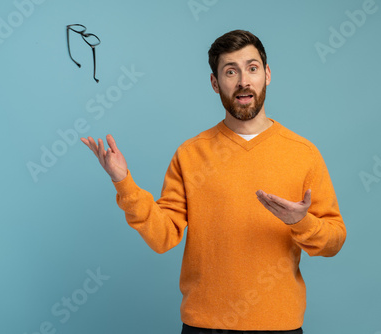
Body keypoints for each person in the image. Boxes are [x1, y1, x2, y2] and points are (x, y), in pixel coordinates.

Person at [81, 30, 346, 334]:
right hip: (203, 326)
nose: (243, 80)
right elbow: (163, 236)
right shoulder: (190, 154)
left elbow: (334, 242)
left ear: (267, 75)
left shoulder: (303, 154)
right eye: (230, 71)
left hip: (279, 326)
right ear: (215, 83)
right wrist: (123, 182)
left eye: (252, 68)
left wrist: (302, 222)